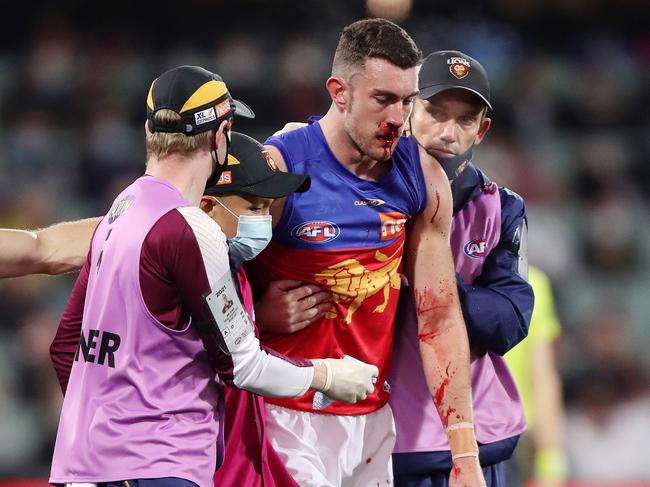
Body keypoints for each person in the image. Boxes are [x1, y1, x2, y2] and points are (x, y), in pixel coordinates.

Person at [47, 65, 378, 487]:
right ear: (220, 137)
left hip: (85, 465)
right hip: (161, 463)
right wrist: (328, 376)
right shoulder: (190, 226)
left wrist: (106, 434)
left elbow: (65, 346)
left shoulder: (119, 211)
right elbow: (242, 366)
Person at [248, 20, 484, 487]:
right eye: (382, 100)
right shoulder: (279, 168)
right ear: (339, 93)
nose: (398, 117)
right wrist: (255, 315)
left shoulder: (422, 177)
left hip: (373, 421)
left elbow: (437, 317)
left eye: (407, 101)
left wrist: (465, 452)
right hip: (283, 414)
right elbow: (198, 277)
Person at [388, 50, 534, 487]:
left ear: (481, 130)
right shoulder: (362, 196)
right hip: (377, 435)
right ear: (408, 109)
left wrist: (434, 281)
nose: (447, 132)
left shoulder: (500, 207)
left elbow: (510, 320)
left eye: (465, 120)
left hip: (472, 441)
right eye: (434, 111)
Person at [505, 265, 568, 487]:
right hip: (442, 438)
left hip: (510, 443)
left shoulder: (532, 281)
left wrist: (551, 459)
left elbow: (543, 377)